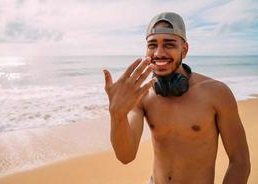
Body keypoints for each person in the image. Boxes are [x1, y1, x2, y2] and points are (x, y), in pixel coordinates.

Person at [103, 12, 251, 184]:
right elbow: (125, 156)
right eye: (152, 45)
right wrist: (116, 115)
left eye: (169, 44)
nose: (159, 53)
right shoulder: (142, 95)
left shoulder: (217, 93)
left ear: (184, 49)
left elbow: (240, 161)